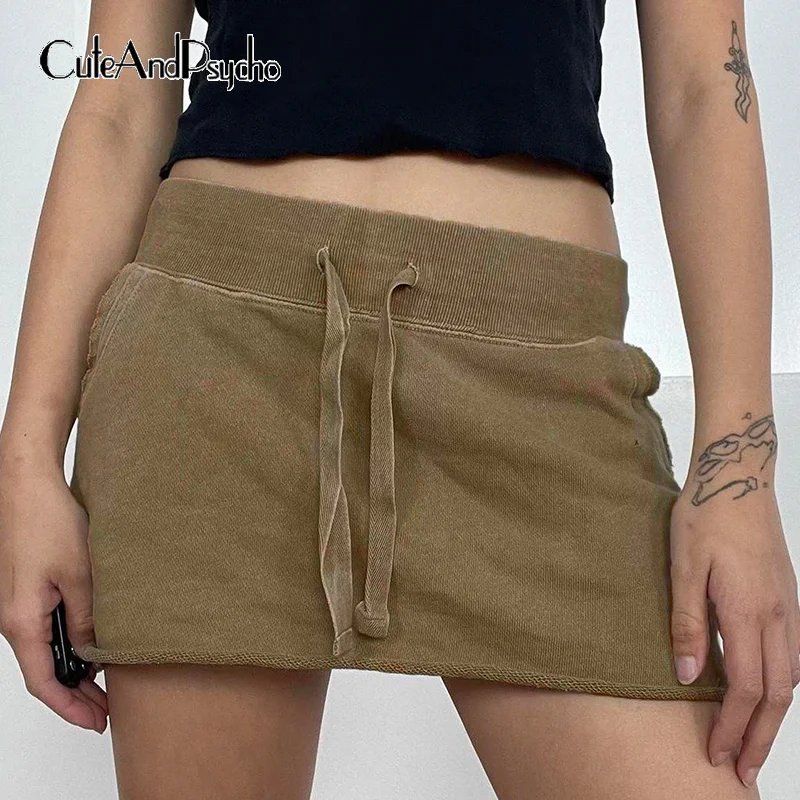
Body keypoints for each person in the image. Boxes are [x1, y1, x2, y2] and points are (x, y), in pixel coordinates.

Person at [0, 0, 797, 797]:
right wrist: (25, 464)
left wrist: (741, 475)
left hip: (535, 368)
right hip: (214, 351)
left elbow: (704, 88)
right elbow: (118, 99)